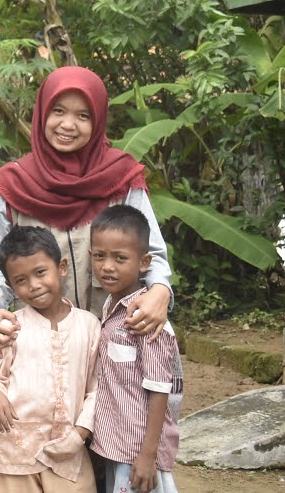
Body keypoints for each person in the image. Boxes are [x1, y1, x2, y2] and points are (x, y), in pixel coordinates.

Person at [0, 66, 172, 353]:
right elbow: (1, 267)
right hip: (39, 348)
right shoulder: (13, 185)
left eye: (83, 115)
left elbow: (151, 254)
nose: (68, 125)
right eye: (58, 111)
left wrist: (160, 291)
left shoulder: (121, 177)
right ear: (43, 113)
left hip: (118, 344)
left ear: (98, 121)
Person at [0, 225, 101, 493]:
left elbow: (97, 387)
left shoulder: (89, 326)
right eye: (20, 280)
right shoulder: (11, 326)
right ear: (10, 286)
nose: (33, 285)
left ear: (62, 267)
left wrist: (81, 432)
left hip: (68, 449)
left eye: (41, 272)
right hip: (15, 450)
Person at [89, 204, 183, 493]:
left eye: (120, 258)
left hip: (137, 452)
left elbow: (159, 389)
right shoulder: (112, 305)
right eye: (99, 256)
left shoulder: (145, 318)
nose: (107, 266)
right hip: (118, 445)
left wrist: (147, 455)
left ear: (144, 262)